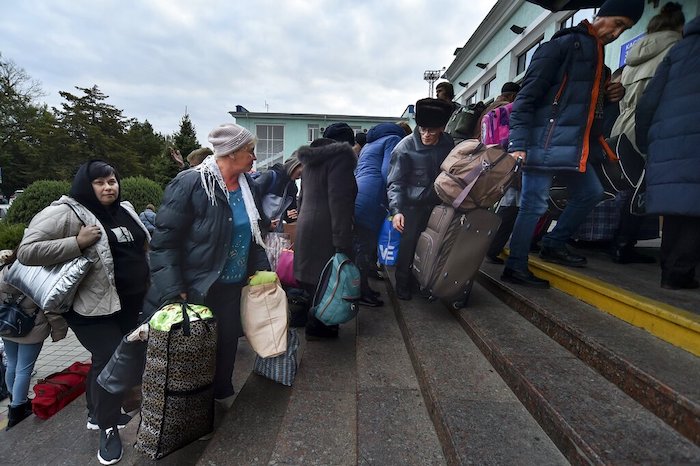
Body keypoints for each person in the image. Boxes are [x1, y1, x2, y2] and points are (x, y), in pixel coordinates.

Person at [502, 0, 644, 288]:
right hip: (543, 142)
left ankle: (554, 242)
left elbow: (585, 108)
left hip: (574, 148)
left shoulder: (599, 66)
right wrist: (518, 143)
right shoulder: (561, 46)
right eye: (617, 23)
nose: (617, 33)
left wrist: (609, 94)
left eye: (625, 29)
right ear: (600, 14)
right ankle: (515, 266)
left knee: (591, 192)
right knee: (534, 205)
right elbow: (526, 98)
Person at [17, 160, 150, 465]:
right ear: (85, 185)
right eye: (100, 182)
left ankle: (95, 412)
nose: (109, 187)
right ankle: (106, 428)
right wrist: (76, 242)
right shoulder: (66, 211)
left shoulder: (125, 209)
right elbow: (27, 250)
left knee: (106, 361)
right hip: (90, 308)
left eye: (112, 180)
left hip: (128, 303)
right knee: (113, 360)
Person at [147, 123, 270, 410]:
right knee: (195, 353)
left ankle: (218, 398)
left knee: (227, 343)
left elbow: (254, 235)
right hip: (196, 287)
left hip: (232, 285)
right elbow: (164, 243)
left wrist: (262, 270)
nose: (255, 157)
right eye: (250, 151)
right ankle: (192, 409)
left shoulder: (247, 185)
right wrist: (173, 289)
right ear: (231, 152)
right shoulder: (191, 183)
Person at [608, 2, 684, 264]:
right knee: (644, 187)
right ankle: (623, 244)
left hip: (623, 123)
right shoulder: (676, 49)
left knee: (629, 184)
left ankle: (618, 241)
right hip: (650, 124)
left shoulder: (631, 59)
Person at [636, 14, 700, 290]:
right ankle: (679, 273)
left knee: (677, 206)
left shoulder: (679, 50)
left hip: (666, 139)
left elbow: (648, 101)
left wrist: (645, 141)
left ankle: (669, 271)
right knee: (695, 208)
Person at [387, 98, 454, 300]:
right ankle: (402, 282)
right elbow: (395, 183)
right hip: (411, 206)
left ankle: (422, 280)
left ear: (442, 128)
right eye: (423, 129)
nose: (426, 135)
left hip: (438, 204)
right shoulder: (404, 147)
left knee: (433, 246)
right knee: (408, 245)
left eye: (432, 131)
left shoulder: (448, 143)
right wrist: (397, 211)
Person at [294, 138, 357, 339]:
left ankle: (315, 322)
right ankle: (321, 326)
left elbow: (301, 197)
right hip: (327, 227)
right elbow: (340, 202)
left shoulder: (310, 162)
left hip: (307, 223)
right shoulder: (339, 160)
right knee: (329, 277)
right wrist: (342, 240)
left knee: (314, 278)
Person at [0, 249, 68, 430]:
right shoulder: (36, 277)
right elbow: (50, 307)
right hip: (31, 331)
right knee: (24, 370)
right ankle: (17, 410)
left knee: (12, 365)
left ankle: (15, 399)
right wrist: (59, 331)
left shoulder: (2, 272)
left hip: (7, 326)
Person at [354, 123, 408, 307]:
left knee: (361, 244)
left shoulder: (370, 144)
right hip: (373, 196)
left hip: (359, 193)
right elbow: (389, 171)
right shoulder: (393, 139)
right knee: (364, 246)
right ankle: (360, 292)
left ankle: (363, 288)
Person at [253, 155, 302, 232]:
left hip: (274, 232)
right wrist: (265, 223)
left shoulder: (292, 188)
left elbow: (285, 215)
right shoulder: (270, 176)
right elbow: (252, 199)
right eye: (300, 173)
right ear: (294, 165)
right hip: (258, 230)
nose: (300, 177)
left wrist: (292, 215)